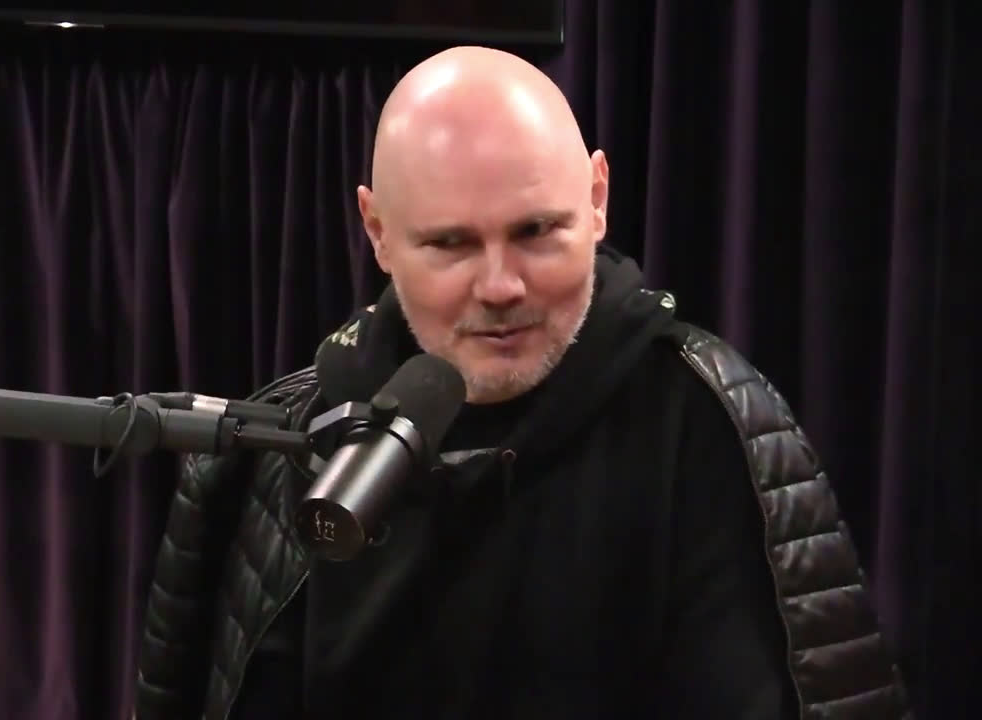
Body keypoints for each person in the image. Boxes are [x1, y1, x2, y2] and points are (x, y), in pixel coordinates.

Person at [133, 47, 912, 719]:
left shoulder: (709, 425)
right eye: (450, 244)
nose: (501, 286)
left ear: (597, 200)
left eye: (537, 231)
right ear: (378, 233)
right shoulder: (292, 434)